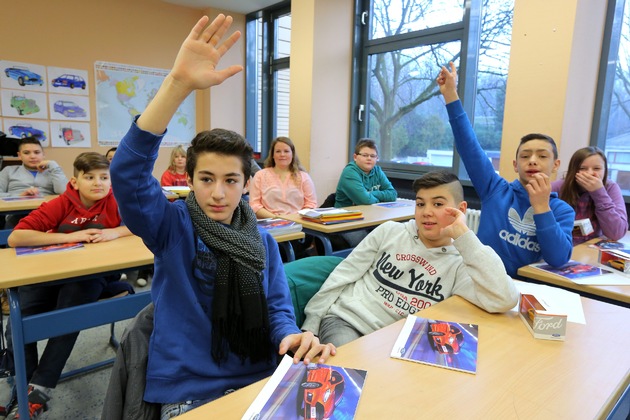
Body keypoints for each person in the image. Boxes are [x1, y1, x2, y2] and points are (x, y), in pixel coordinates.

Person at [108, 14, 335, 418]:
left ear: (247, 183)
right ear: (189, 181)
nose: (218, 192)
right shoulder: (172, 227)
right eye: (206, 178)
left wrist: (292, 338)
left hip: (261, 374)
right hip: (190, 387)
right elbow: (127, 175)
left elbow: (278, 309)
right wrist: (177, 85)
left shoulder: (262, 239)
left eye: (230, 180)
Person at [302, 170, 519, 347]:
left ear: (460, 210)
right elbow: (343, 274)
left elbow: (504, 299)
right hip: (349, 321)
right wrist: (311, 326)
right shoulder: (389, 232)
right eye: (420, 203)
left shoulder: (461, 262)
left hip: (399, 342)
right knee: (353, 375)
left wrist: (464, 236)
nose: (426, 212)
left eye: (438, 204)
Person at [5, 152, 133, 418]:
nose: (98, 183)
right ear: (75, 182)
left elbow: (141, 223)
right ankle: (24, 383)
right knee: (17, 320)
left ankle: (39, 389)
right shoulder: (61, 203)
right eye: (89, 177)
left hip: (91, 276)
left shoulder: (116, 201)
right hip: (50, 273)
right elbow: (17, 237)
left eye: (103, 177)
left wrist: (115, 231)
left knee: (69, 316)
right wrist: (71, 237)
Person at [437, 62, 575, 276]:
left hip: (522, 291)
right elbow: (469, 147)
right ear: (515, 164)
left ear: (556, 165)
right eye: (525, 156)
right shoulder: (496, 190)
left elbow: (557, 259)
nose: (532, 161)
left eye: (542, 156)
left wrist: (541, 207)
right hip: (478, 279)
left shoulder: (562, 211)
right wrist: (451, 96)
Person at [552, 146, 628, 244]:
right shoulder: (557, 187)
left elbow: (616, 233)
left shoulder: (610, 187)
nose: (590, 173)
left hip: (590, 249)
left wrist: (598, 192)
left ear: (605, 171)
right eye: (583, 168)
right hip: (562, 247)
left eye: (597, 168)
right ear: (573, 170)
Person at [0, 137, 68, 228]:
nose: (32, 156)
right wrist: (18, 197)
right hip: (17, 215)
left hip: (48, 213)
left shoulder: (53, 171)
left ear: (43, 154)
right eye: (26, 153)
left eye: (37, 152)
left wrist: (53, 164)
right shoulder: (8, 171)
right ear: (19, 155)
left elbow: (64, 192)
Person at [248, 136, 317, 219]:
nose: (282, 155)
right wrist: (276, 218)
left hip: (298, 222)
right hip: (268, 222)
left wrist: (292, 218)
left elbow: (311, 204)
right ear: (272, 155)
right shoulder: (260, 175)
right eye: (278, 151)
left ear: (292, 154)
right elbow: (254, 205)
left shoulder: (304, 177)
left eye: (286, 151)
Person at [334, 138, 397, 208]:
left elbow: (393, 194)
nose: (369, 158)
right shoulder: (349, 172)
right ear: (355, 157)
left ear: (377, 158)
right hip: (346, 216)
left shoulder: (377, 171)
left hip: (371, 213)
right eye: (365, 155)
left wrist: (371, 194)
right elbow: (365, 201)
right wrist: (381, 199)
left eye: (373, 156)